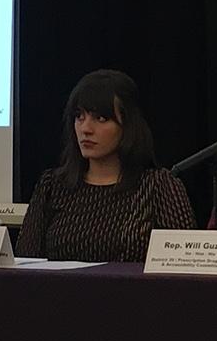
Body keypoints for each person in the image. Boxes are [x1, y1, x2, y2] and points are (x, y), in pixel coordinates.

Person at [18, 69, 195, 263]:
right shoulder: (52, 185)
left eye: (101, 119)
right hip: (61, 293)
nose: (86, 129)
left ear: (128, 125)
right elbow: (25, 263)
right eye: (79, 117)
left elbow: (184, 266)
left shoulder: (158, 186)